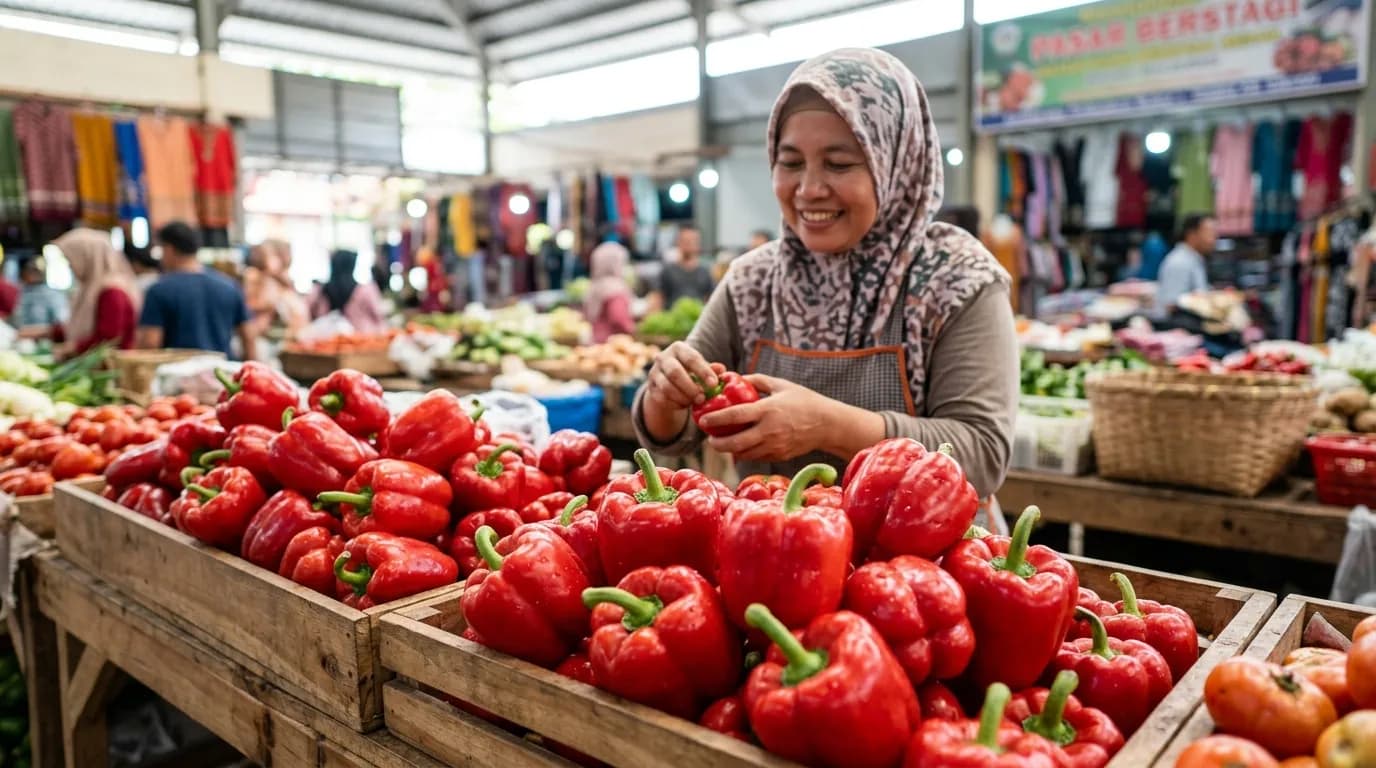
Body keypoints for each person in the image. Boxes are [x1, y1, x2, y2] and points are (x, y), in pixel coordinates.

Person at [634, 48, 1018, 497]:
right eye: (791, 163)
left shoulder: (956, 280)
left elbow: (983, 454)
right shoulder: (753, 281)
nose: (809, 189)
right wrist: (664, 397)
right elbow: (673, 433)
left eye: (839, 164)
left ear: (894, 164)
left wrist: (827, 426)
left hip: (930, 561)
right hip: (777, 549)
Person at [138, 221, 256, 360]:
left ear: (169, 249)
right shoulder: (229, 285)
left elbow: (150, 343)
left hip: (177, 376)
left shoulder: (159, 290)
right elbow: (248, 338)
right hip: (222, 374)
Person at [51, 228, 141, 353]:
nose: (70, 265)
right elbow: (80, 329)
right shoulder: (90, 288)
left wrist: (71, 348)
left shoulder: (112, 292)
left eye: (71, 259)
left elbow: (109, 339)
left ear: (87, 256)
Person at [308, 249, 387, 335]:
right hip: (364, 340)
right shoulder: (365, 290)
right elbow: (379, 315)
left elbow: (306, 314)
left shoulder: (319, 291)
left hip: (327, 341)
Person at [244, 239, 306, 338]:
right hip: (265, 336)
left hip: (287, 336)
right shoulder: (255, 277)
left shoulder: (283, 280)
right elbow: (251, 305)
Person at [1157, 214, 1218, 314]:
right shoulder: (1179, 262)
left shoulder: (1193, 259)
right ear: (1192, 234)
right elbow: (1170, 305)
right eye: (1210, 233)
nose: (1214, 240)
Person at [583, 241, 635, 342]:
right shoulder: (615, 287)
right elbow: (619, 319)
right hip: (614, 343)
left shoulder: (594, 285)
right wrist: (634, 330)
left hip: (595, 341)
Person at [657, 225, 715, 307]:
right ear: (678, 242)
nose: (689, 244)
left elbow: (710, 300)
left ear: (698, 244)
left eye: (692, 241)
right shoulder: (667, 271)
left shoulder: (705, 272)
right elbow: (659, 298)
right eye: (685, 241)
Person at [14, 257, 67, 328]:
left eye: (36, 271)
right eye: (30, 271)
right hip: (23, 333)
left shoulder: (53, 294)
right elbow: (17, 317)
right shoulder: (22, 292)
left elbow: (60, 319)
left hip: (45, 335)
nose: (33, 275)